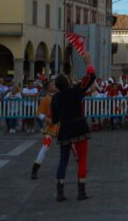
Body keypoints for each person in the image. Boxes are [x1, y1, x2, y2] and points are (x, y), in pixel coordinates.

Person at [51, 51, 97, 202]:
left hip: (65, 129)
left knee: (63, 161)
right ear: (68, 82)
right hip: (79, 127)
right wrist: (88, 62)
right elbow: (91, 78)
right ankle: (81, 192)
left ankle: (59, 192)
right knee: (82, 159)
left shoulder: (56, 98)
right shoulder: (76, 90)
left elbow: (55, 119)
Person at [31, 79, 59, 180]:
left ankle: (80, 164)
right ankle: (36, 167)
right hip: (51, 125)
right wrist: (46, 119)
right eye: (52, 84)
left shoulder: (62, 97)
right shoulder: (46, 99)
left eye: (55, 84)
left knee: (72, 145)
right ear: (48, 87)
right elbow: (39, 113)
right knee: (45, 146)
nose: (55, 85)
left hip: (62, 125)